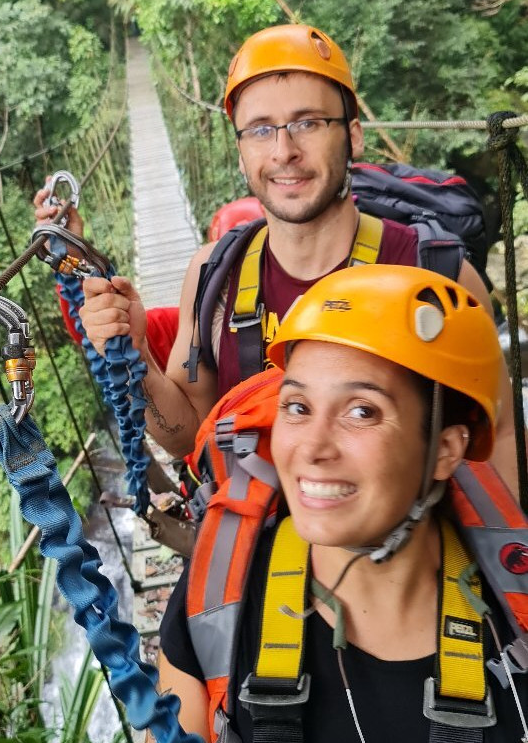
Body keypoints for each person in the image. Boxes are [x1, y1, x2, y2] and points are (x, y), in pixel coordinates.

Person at [47, 22, 519, 496]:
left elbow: (498, 434)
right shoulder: (214, 275)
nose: (284, 151)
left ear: (353, 136)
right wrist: (135, 359)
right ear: (240, 153)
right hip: (261, 534)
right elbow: (189, 435)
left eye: (308, 123)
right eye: (260, 130)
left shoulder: (436, 277)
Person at [157, 264, 528, 743]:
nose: (312, 448)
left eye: (362, 411)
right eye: (297, 407)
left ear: (444, 450)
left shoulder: (515, 611)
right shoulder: (213, 601)